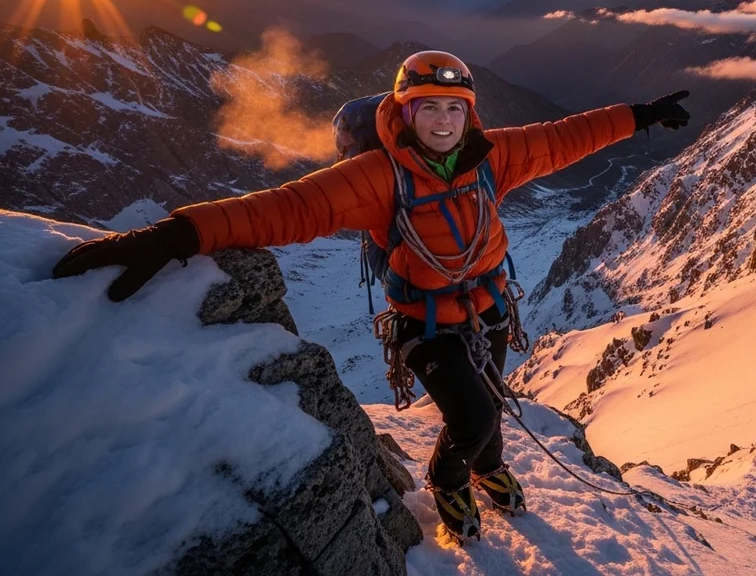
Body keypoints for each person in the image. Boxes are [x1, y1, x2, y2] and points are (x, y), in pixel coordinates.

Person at [51, 50, 691, 542]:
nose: (443, 121)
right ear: (404, 112)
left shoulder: (495, 155)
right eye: (427, 108)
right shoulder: (376, 176)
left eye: (454, 108)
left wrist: (641, 115)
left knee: (490, 401)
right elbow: (287, 209)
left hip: (491, 311)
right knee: (470, 415)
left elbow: (567, 136)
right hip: (426, 323)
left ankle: (487, 465)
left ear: (470, 113)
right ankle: (448, 482)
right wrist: (176, 234)